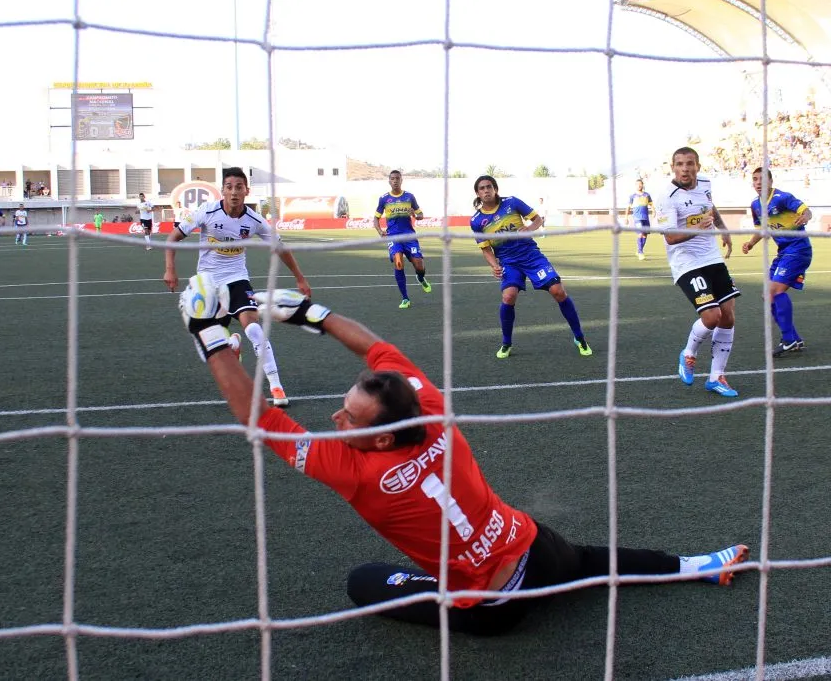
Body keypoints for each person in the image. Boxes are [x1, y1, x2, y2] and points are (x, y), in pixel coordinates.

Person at [176, 273, 751, 635]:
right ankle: (699, 564)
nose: (335, 418)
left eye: (348, 416)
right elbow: (377, 348)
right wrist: (312, 314)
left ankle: (456, 598)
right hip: (536, 549)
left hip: (493, 606)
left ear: (379, 437)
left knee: (363, 581)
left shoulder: (353, 470)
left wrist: (208, 333)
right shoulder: (429, 405)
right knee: (592, 560)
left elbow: (259, 415)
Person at [163, 167, 312, 407]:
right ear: (222, 190)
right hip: (208, 283)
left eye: (239, 187)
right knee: (211, 349)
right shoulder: (207, 211)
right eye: (229, 187)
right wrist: (170, 268)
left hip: (236, 278)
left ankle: (276, 386)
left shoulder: (254, 220)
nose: (234, 192)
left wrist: (300, 277)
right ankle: (232, 344)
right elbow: (173, 238)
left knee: (252, 326)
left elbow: (280, 248)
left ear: (246, 191)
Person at [470, 175, 592, 359]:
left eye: (489, 186)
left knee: (558, 291)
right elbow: (486, 248)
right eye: (482, 188)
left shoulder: (512, 203)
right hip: (508, 262)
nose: (486, 190)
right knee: (508, 296)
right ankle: (506, 343)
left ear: (495, 189)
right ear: (478, 193)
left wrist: (529, 228)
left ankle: (579, 337)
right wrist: (494, 265)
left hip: (531, 256)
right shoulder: (477, 221)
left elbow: (537, 219)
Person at [655, 147, 738, 397]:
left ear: (698, 166)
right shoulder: (667, 197)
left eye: (689, 163)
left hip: (712, 258)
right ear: (673, 167)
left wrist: (723, 230)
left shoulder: (705, 183)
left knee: (728, 317)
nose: (685, 168)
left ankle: (716, 377)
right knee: (711, 317)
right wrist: (699, 230)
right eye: (679, 164)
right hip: (686, 263)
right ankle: (689, 353)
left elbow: (711, 208)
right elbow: (670, 237)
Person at [741, 168, 814, 357]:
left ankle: (788, 339)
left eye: (762, 179)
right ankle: (795, 339)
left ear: (771, 181)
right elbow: (762, 228)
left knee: (776, 291)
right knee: (768, 295)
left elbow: (806, 210)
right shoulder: (756, 205)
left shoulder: (782, 197)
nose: (758, 183)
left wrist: (805, 216)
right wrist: (750, 243)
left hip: (798, 249)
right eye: (755, 179)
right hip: (784, 253)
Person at [373, 170, 432, 309]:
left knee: (419, 265)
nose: (395, 181)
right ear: (389, 181)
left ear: (401, 180)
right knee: (398, 263)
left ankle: (421, 278)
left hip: (409, 236)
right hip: (394, 237)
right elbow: (376, 218)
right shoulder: (384, 199)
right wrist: (380, 231)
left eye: (397, 178)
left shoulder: (409, 196)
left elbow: (421, 215)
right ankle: (405, 298)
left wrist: (415, 215)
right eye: (392, 178)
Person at [625, 179, 654, 261]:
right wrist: (626, 217)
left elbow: (651, 204)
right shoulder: (632, 196)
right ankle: (640, 252)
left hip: (646, 218)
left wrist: (654, 211)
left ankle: (639, 251)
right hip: (637, 218)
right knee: (640, 233)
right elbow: (628, 207)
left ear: (642, 185)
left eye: (640, 184)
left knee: (645, 235)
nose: (639, 185)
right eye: (637, 184)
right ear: (635, 185)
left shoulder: (647, 195)